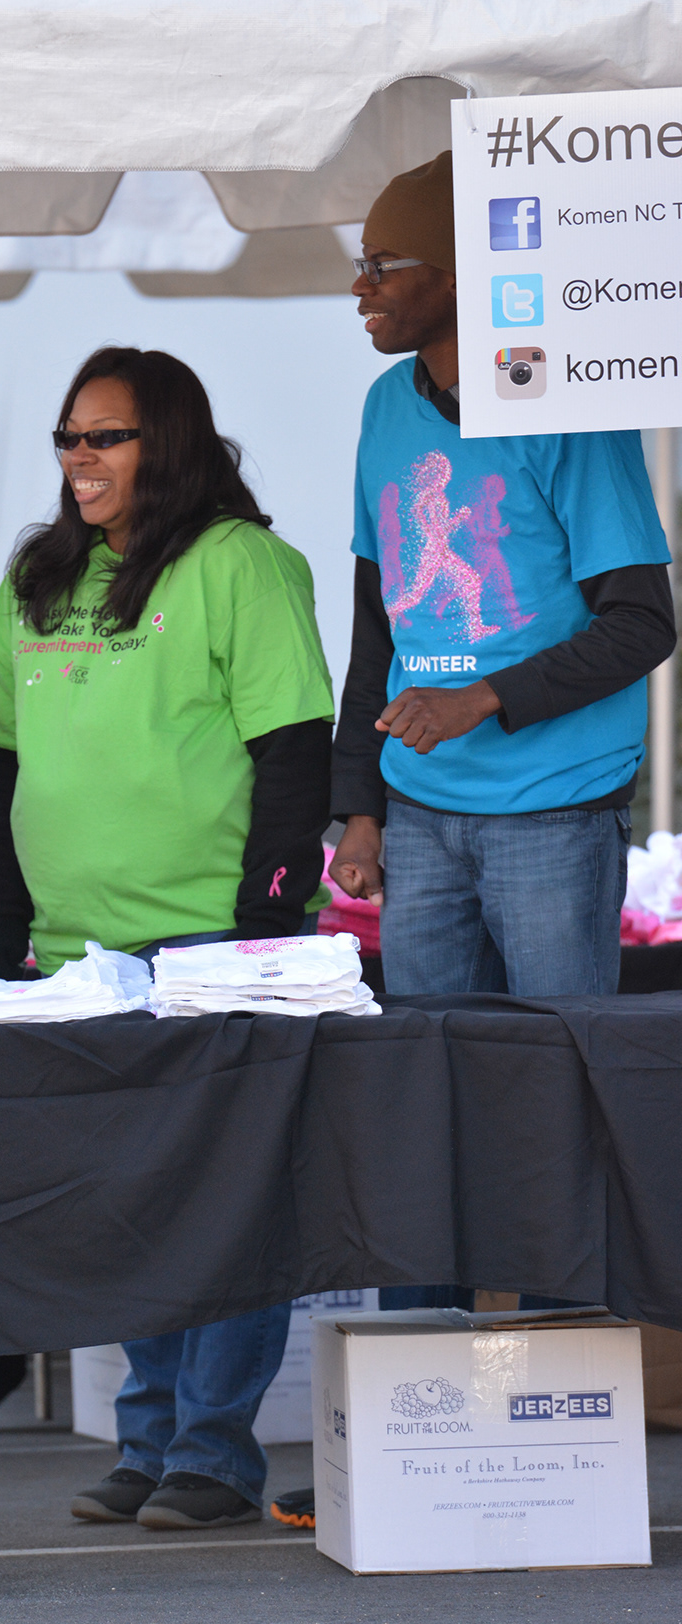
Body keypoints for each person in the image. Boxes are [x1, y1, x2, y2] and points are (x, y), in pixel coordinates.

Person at [0, 346, 334, 1528]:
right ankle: (148, 1437)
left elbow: (292, 753)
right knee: (131, 1206)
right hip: (79, 952)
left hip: (210, 938)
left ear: (165, 441)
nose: (80, 458)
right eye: (69, 438)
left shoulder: (244, 565)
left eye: (106, 436)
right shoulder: (39, 575)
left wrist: (265, 929)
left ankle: (215, 1453)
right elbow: (4, 773)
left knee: (224, 1205)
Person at [330, 152, 674, 1315]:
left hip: (554, 812)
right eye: (359, 264)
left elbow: (642, 622)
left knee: (554, 1096)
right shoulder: (384, 408)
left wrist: (484, 699)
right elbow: (376, 621)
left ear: (466, 279)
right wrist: (359, 804)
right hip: (421, 819)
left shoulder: (569, 410)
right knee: (423, 1098)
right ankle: (412, 1384)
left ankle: (565, 1372)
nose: (361, 287)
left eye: (385, 267)